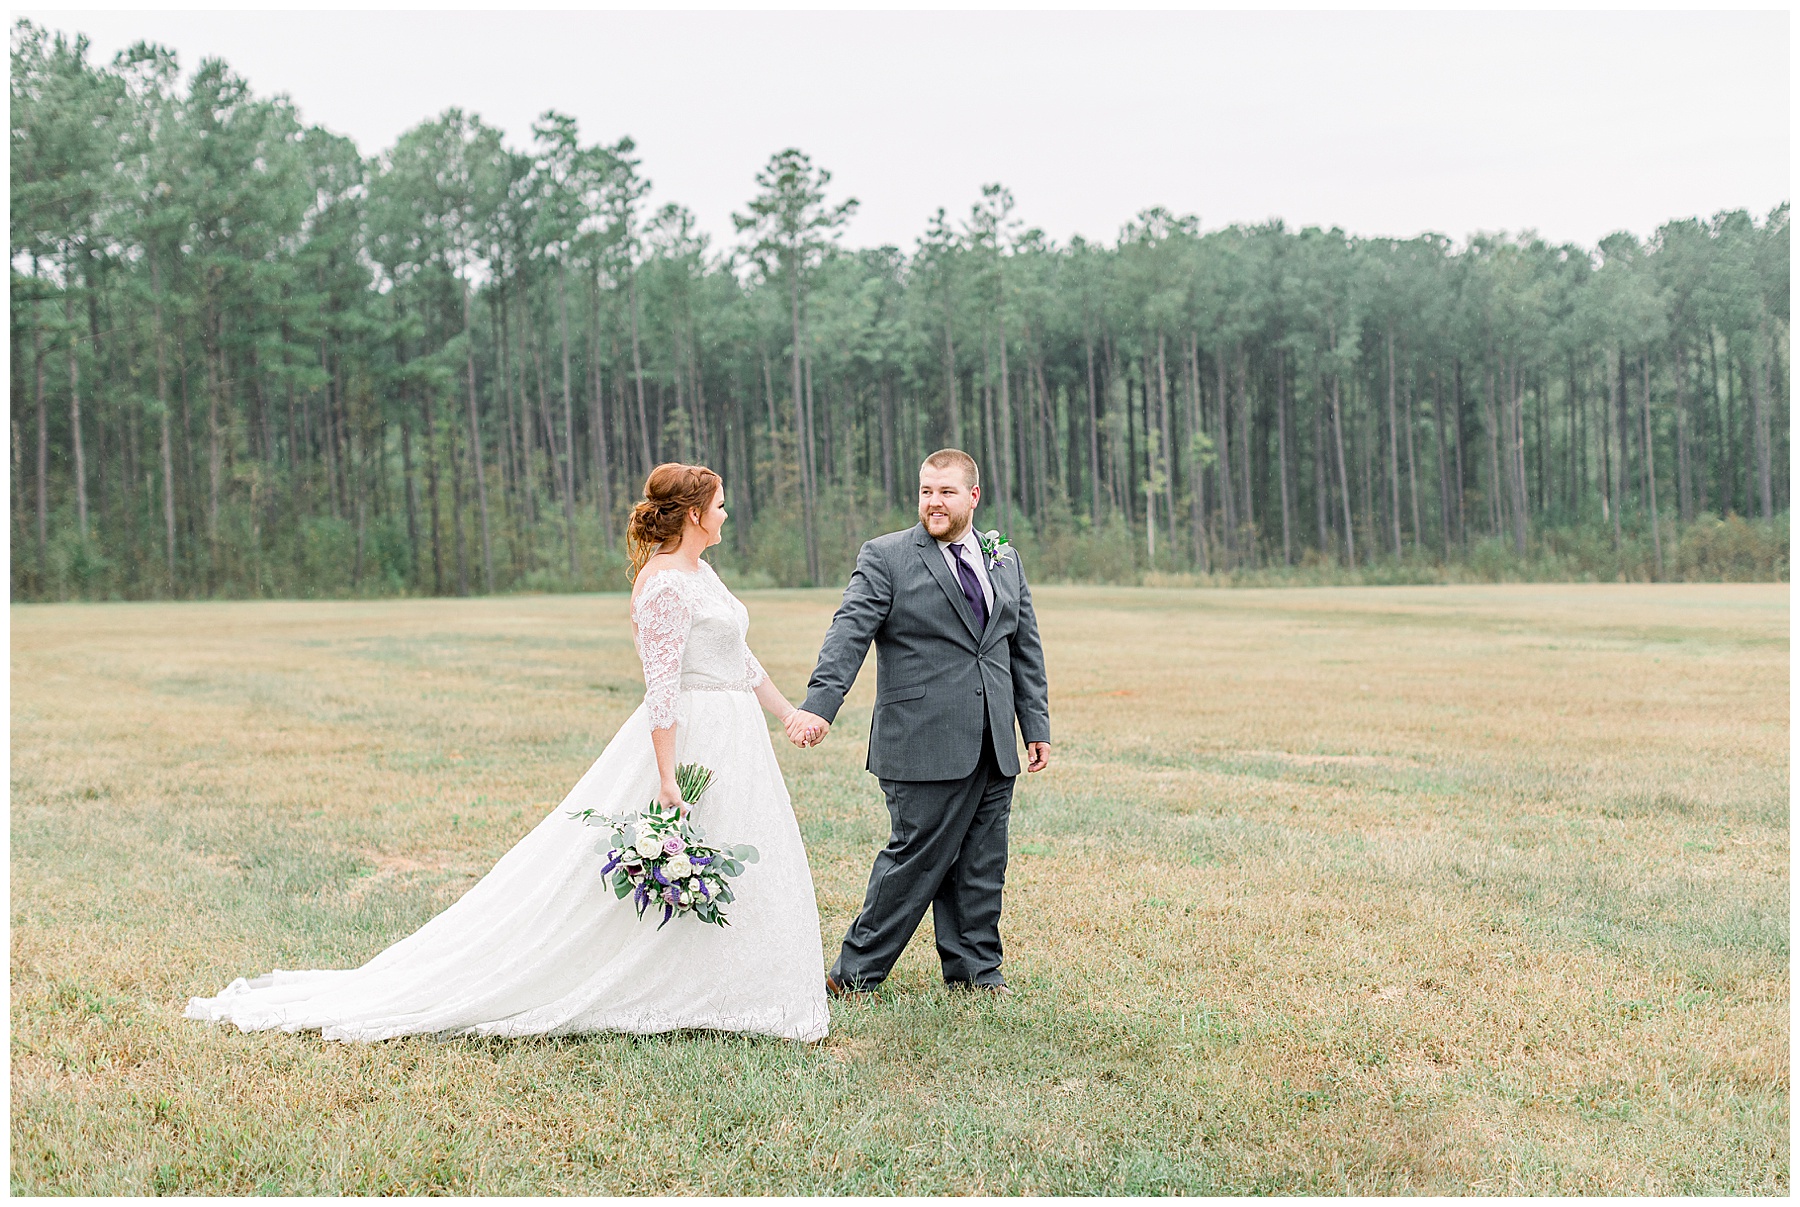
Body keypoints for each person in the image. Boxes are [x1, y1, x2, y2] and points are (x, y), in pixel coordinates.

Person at [186, 464, 830, 1043]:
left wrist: (787, 713)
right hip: (688, 742)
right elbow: (662, 690)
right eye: (719, 505)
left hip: (736, 737)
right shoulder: (663, 586)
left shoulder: (702, 573)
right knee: (657, 868)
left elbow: (737, 658)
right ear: (693, 515)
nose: (725, 514)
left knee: (741, 855)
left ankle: (727, 989)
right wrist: (665, 778)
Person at [788, 449, 1051, 997]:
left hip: (993, 742)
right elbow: (849, 631)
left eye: (946, 492)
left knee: (981, 864)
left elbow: (1023, 647)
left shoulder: (1004, 558)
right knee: (915, 861)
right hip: (921, 740)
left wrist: (1035, 725)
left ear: (973, 497)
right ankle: (852, 975)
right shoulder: (886, 557)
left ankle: (976, 973)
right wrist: (820, 703)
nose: (934, 501)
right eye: (927, 491)